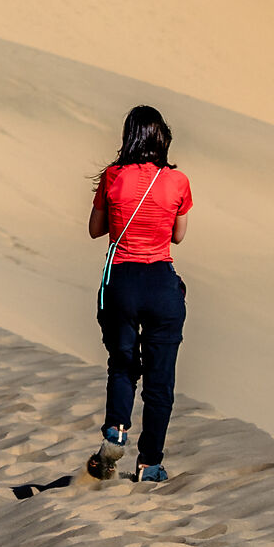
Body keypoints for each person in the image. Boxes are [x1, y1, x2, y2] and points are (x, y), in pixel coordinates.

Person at [85, 105, 194, 483]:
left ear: (129, 136)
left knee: (123, 365)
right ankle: (149, 464)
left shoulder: (113, 176)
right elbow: (177, 236)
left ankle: (116, 430)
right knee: (160, 381)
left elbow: (95, 229)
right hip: (161, 285)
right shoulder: (177, 182)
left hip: (122, 284)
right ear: (162, 137)